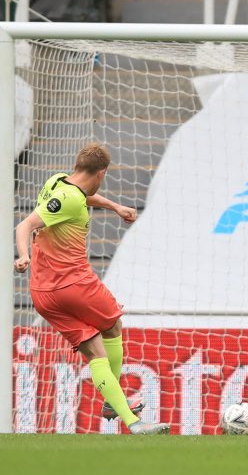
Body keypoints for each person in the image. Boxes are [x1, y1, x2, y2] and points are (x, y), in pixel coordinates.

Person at [14, 143, 170, 435]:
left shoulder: (57, 182)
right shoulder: (70, 200)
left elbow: (81, 197)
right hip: (75, 284)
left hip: (43, 295)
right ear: (101, 173)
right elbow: (25, 225)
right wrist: (23, 254)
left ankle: (131, 421)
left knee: (96, 353)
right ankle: (114, 403)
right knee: (113, 326)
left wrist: (114, 207)